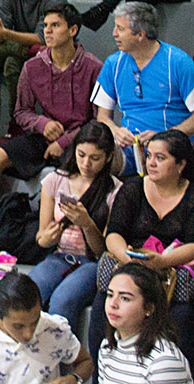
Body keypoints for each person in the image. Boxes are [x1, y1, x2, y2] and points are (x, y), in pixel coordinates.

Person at [0, 4, 103, 263]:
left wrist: (65, 141)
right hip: (43, 135)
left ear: (73, 30)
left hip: (79, 139)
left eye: (55, 25)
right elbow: (21, 112)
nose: (48, 31)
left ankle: (73, 246)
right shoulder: (33, 66)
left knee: (80, 163)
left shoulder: (93, 67)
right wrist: (41, 123)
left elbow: (97, 121)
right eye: (45, 26)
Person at [85, 129, 194, 369]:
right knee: (103, 304)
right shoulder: (133, 188)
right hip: (131, 265)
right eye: (149, 155)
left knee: (183, 316)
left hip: (170, 273)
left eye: (160, 158)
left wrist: (162, 261)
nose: (150, 163)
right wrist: (129, 259)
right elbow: (114, 234)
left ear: (181, 164)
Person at [90, 3, 194, 175]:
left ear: (141, 35)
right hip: (130, 149)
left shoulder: (178, 62)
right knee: (93, 156)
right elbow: (102, 116)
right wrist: (115, 131)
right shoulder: (113, 64)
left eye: (120, 29)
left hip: (171, 148)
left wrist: (165, 136)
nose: (114, 33)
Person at [29, 123, 120, 325]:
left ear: (108, 157)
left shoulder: (115, 190)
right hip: (59, 256)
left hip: (91, 263)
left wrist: (86, 224)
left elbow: (103, 251)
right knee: (30, 291)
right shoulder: (54, 180)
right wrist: (48, 237)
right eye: (81, 155)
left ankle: (60, 344)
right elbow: (41, 239)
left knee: (62, 300)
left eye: (95, 158)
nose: (86, 163)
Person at [0, 271, 93, 384]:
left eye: (35, 322)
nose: (28, 334)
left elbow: (87, 362)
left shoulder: (54, 328)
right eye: (18, 326)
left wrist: (73, 378)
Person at [98, 263, 194, 384]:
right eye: (110, 295)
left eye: (125, 298)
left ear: (149, 308)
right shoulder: (106, 347)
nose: (113, 304)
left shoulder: (163, 360)